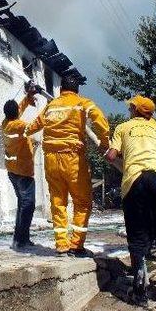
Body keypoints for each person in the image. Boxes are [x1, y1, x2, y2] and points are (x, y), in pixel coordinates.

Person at [106, 95, 156, 306]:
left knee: (138, 237)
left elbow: (111, 156)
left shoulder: (122, 127)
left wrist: (112, 153)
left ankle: (141, 293)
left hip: (134, 183)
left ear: (134, 109)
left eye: (130, 107)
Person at [25, 76, 109, 256]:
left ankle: (62, 245)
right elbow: (100, 120)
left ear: (61, 89)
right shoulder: (82, 102)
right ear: (77, 90)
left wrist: (21, 130)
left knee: (58, 202)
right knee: (83, 202)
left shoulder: (51, 106)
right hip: (73, 160)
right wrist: (104, 141)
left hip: (51, 160)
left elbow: (33, 127)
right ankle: (76, 245)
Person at [1, 88, 38, 250]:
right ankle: (20, 240)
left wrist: (28, 97)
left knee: (23, 204)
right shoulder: (20, 125)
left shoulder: (7, 123)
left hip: (13, 171)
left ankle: (22, 238)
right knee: (28, 205)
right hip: (23, 173)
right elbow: (37, 125)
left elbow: (18, 110)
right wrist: (50, 110)